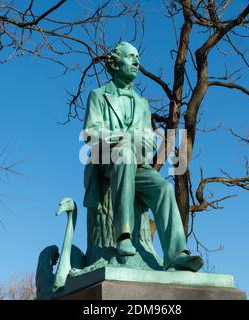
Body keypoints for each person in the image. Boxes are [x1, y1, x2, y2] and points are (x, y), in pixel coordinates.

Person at [82, 41, 204, 272]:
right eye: (130, 57)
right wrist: (123, 138)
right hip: (106, 160)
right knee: (125, 155)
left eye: (138, 58)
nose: (137, 62)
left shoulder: (142, 103)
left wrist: (140, 142)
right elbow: (90, 134)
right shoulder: (98, 95)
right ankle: (123, 235)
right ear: (115, 63)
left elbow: (148, 140)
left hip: (136, 162)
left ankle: (177, 254)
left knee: (163, 188)